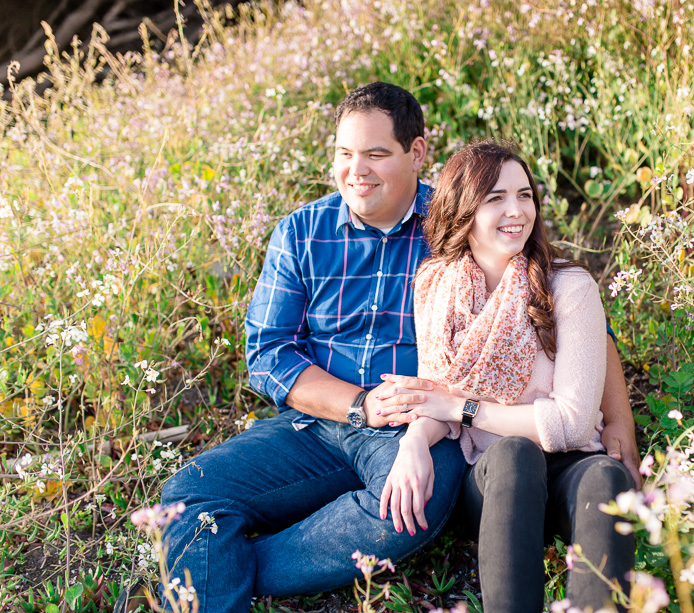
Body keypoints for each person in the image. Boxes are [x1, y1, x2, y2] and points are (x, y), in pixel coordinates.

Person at [151, 82, 640, 612]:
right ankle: (220, 584)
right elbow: (269, 353)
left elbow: (570, 318)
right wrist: (357, 404)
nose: (356, 170)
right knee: (190, 493)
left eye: (376, 154)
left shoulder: (461, 218)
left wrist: (618, 424)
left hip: (417, 429)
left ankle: (236, 567)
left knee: (406, 507)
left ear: (417, 153)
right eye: (344, 154)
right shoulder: (301, 233)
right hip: (318, 422)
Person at [377, 141, 635, 612]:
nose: (516, 211)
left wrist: (463, 409)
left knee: (607, 476)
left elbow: (574, 424)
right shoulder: (436, 286)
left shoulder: (569, 288)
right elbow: (437, 399)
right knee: (515, 453)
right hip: (497, 479)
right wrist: (414, 442)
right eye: (495, 198)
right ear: (463, 210)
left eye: (524, 195)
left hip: (569, 468)